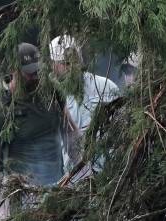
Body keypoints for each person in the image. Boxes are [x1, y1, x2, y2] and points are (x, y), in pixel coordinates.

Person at [0, 43, 71, 219]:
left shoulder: (51, 91)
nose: (35, 76)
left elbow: (69, 132)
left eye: (37, 70)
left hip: (57, 187)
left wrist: (83, 170)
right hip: (22, 196)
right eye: (29, 72)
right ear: (14, 70)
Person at [49, 35, 120, 171]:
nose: (70, 67)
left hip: (107, 174)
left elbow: (122, 131)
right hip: (73, 179)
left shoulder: (105, 87)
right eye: (65, 63)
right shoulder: (52, 99)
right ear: (54, 65)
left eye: (73, 60)